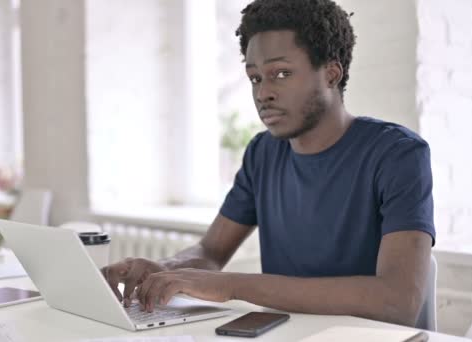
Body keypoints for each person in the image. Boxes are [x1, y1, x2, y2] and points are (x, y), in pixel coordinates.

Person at [101, 0, 435, 327]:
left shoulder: (397, 154)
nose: (263, 93)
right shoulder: (264, 152)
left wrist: (230, 286)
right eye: (255, 78)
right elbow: (211, 250)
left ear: (331, 74)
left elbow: (398, 302)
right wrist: (165, 270)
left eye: (281, 73)